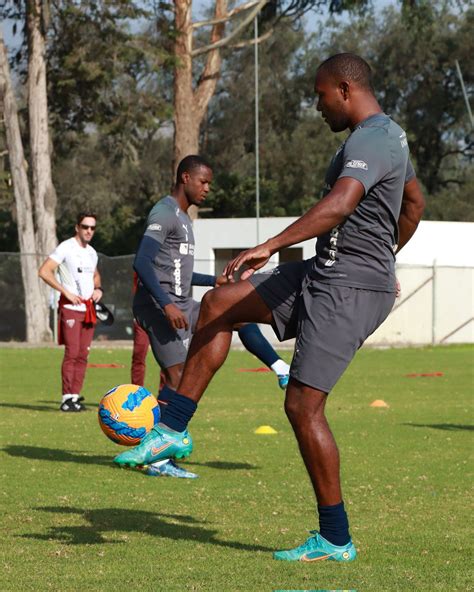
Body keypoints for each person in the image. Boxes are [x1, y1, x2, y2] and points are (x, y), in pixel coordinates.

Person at [114, 53, 425, 561]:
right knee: (218, 302)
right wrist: (384, 256)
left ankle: (336, 538)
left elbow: (343, 203)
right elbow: (414, 204)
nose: (318, 105)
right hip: (322, 274)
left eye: (321, 95)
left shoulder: (371, 139)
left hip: (346, 289)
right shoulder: (390, 138)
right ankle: (170, 431)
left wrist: (274, 244)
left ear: (345, 89)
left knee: (303, 407)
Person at [128, 155, 290, 479]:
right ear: (185, 177)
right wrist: (167, 305)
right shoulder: (164, 212)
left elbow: (175, 274)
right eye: (203, 182)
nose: (207, 189)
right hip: (158, 308)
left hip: (181, 302)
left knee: (232, 312)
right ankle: (159, 460)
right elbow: (142, 263)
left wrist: (211, 281)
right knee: (178, 378)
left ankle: (280, 368)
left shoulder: (185, 219)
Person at [39, 212, 103, 412]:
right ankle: (66, 398)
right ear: (77, 227)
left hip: (88, 309)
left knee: (83, 354)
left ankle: (75, 396)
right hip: (70, 308)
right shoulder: (66, 247)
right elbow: (44, 271)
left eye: (92, 228)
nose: (89, 231)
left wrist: (98, 289)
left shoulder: (92, 252)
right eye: (85, 227)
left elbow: (95, 276)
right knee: (72, 352)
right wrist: (65, 291)